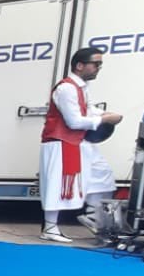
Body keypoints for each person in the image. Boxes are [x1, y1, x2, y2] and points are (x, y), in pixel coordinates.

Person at [38, 47, 121, 244]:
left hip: (76, 141)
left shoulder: (81, 87)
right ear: (79, 65)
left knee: (103, 174)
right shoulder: (66, 88)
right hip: (60, 142)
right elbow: (73, 121)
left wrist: (105, 115)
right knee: (58, 184)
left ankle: (93, 215)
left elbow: (89, 109)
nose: (98, 68)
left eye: (100, 64)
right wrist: (103, 120)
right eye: (96, 64)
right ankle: (49, 227)